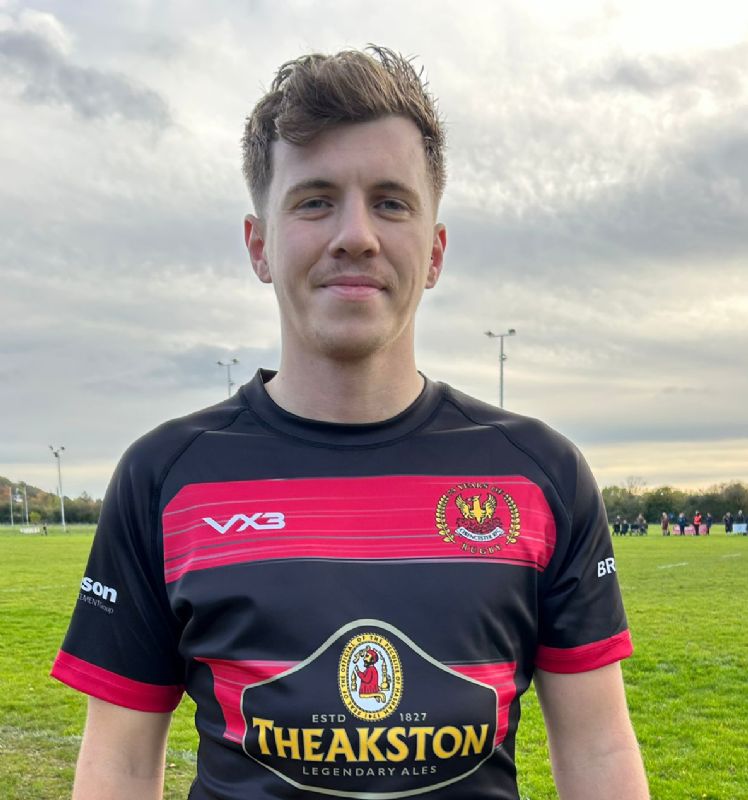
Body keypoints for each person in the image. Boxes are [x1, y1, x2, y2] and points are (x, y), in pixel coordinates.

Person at [51, 47, 648, 800]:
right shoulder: (165, 476)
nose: (356, 235)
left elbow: (597, 751)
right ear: (259, 245)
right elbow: (121, 764)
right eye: (315, 200)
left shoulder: (539, 474)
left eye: (392, 201)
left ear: (433, 252)